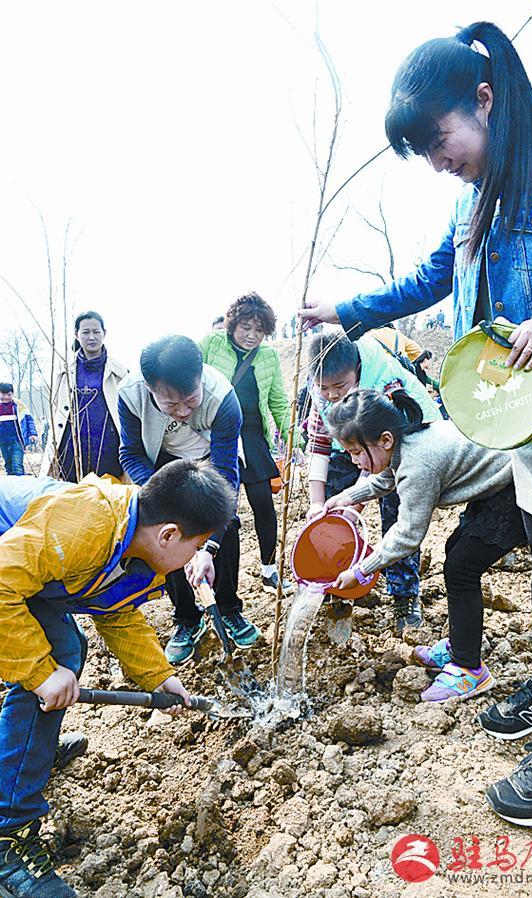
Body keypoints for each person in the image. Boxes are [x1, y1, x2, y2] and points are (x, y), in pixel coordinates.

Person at [299, 21, 532, 826]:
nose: (440, 163)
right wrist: (349, 310)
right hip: (517, 415)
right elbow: (434, 278)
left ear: (485, 99)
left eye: (440, 142)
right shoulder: (477, 201)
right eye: (427, 156)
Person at [0, 459, 235, 897]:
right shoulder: (86, 525)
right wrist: (38, 671)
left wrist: (157, 676)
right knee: (56, 656)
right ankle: (7, 833)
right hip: (4, 568)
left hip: (16, 572)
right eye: (197, 544)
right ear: (168, 535)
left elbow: (115, 609)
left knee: (64, 653)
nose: (195, 558)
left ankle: (24, 755)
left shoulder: (134, 546)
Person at [323, 388, 526, 701]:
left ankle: (469, 668)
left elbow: (407, 535)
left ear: (385, 440)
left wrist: (362, 570)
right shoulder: (405, 444)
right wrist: (347, 497)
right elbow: (387, 477)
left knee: (461, 569)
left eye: (355, 451)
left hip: (512, 487)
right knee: (455, 554)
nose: (354, 461)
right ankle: (461, 644)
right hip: (495, 485)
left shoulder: (420, 464)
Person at [118, 335, 260, 664]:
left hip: (210, 458)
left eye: (190, 400)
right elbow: (130, 453)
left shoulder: (222, 397)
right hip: (161, 463)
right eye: (170, 404)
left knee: (227, 523)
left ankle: (227, 607)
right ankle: (186, 617)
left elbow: (225, 478)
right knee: (165, 532)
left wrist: (207, 547)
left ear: (200, 378)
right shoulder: (130, 394)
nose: (182, 411)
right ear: (149, 387)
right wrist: (162, 496)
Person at [306, 332, 441, 632]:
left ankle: (404, 593)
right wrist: (318, 503)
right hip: (353, 443)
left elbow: (378, 460)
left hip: (398, 445)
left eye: (339, 386)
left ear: (357, 369)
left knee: (396, 517)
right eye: (323, 388)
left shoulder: (384, 381)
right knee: (331, 512)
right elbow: (318, 445)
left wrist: (355, 505)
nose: (330, 394)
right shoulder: (320, 392)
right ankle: (334, 587)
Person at [199, 292, 293, 596]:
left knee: (264, 503)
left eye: (259, 330)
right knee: (223, 506)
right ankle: (219, 579)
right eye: (245, 328)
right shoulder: (212, 344)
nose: (252, 336)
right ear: (232, 325)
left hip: (252, 435)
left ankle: (269, 569)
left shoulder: (269, 356)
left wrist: (295, 439)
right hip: (218, 435)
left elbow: (278, 401)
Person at [42, 311, 127, 482]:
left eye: (96, 332)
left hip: (107, 445)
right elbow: (57, 406)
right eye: (86, 332)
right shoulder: (63, 368)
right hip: (72, 444)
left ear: (104, 333)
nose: (91, 337)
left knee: (108, 491)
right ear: (76, 334)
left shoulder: (119, 371)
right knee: (72, 492)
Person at [0, 383, 38, 475]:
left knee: (17, 466)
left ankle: (21, 484)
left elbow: (29, 420)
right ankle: (12, 487)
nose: (6, 397)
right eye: (3, 394)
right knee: (8, 466)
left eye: (8, 394)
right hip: (3, 442)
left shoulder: (19, 405)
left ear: (12, 394)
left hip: (17, 441)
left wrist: (33, 434)